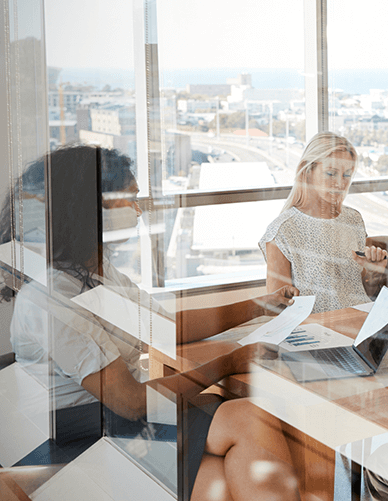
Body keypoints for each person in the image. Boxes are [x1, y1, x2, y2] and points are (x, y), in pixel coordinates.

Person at [4, 145, 302, 501]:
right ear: (90, 209)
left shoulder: (95, 275)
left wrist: (256, 306)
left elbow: (163, 327)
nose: (139, 210)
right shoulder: (55, 296)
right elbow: (130, 401)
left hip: (109, 423)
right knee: (250, 418)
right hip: (79, 438)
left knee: (223, 476)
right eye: (128, 199)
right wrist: (230, 362)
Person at [261, 132, 388, 313]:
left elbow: (361, 292)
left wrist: (373, 273)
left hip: (361, 324)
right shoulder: (281, 231)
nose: (340, 183)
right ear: (308, 171)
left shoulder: (353, 219)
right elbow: (276, 311)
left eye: (346, 175)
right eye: (331, 173)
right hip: (317, 333)